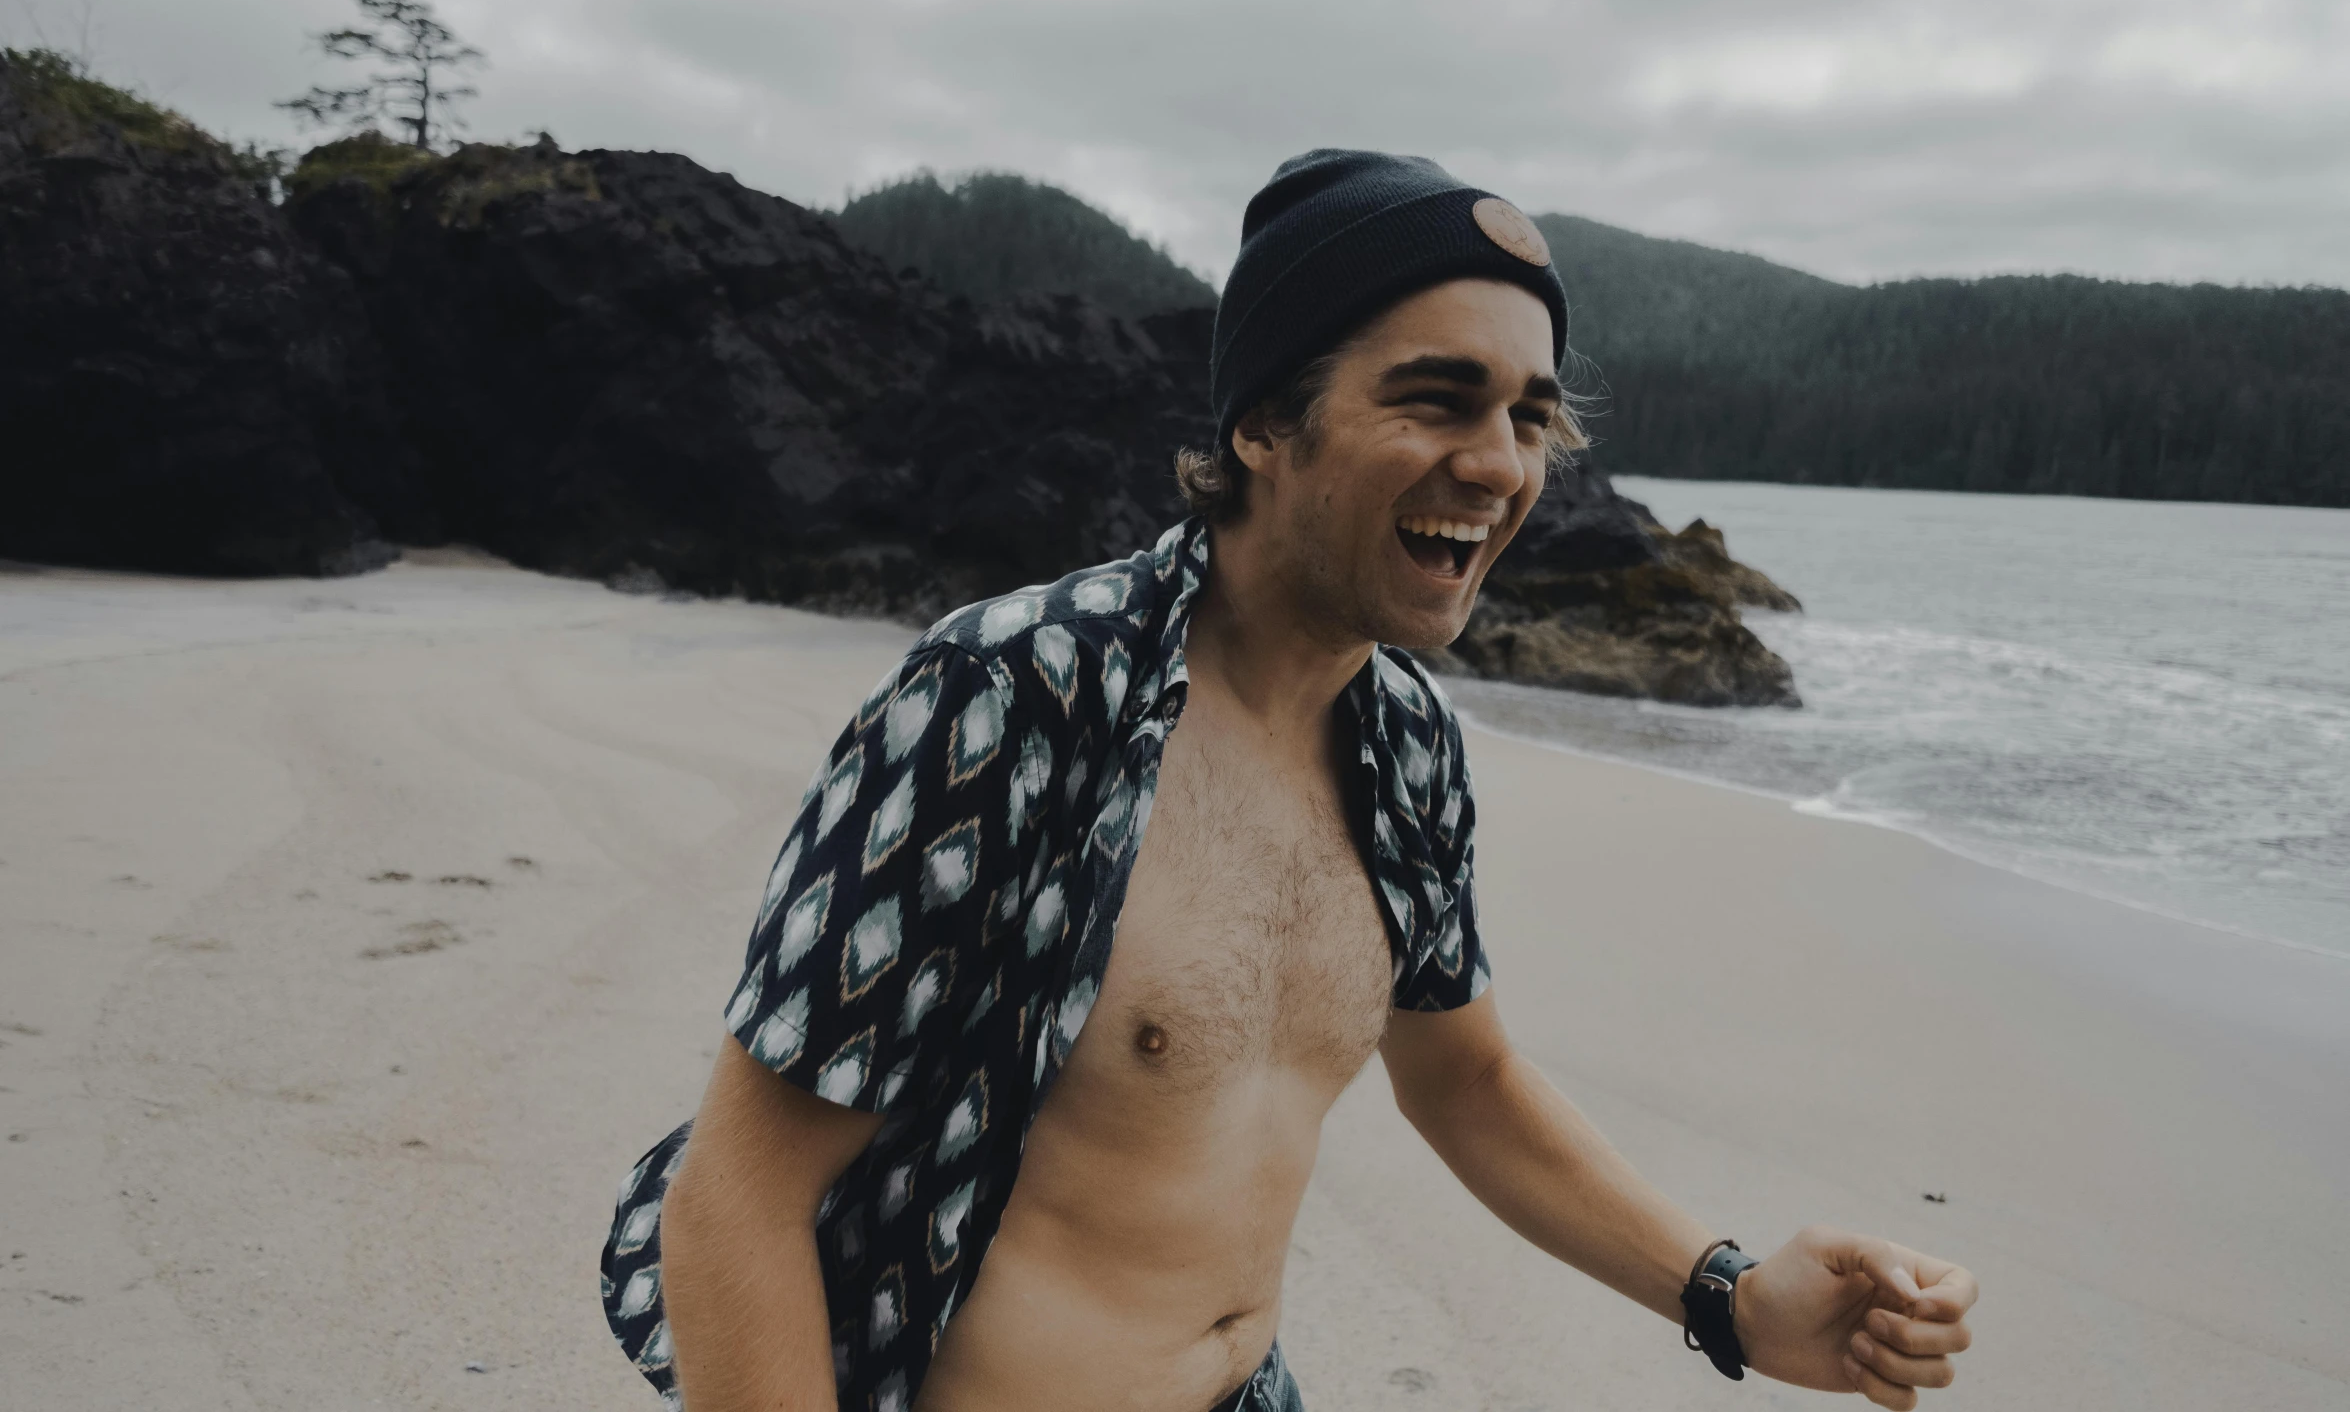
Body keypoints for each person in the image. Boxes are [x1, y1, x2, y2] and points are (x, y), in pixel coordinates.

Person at [599, 150, 1978, 1412]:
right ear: (1264, 423)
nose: (1498, 466)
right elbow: (735, 1194)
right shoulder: (1014, 697)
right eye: (1437, 398)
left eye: (1530, 417)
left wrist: (1732, 1297)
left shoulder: (1406, 747)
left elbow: (1466, 1077)